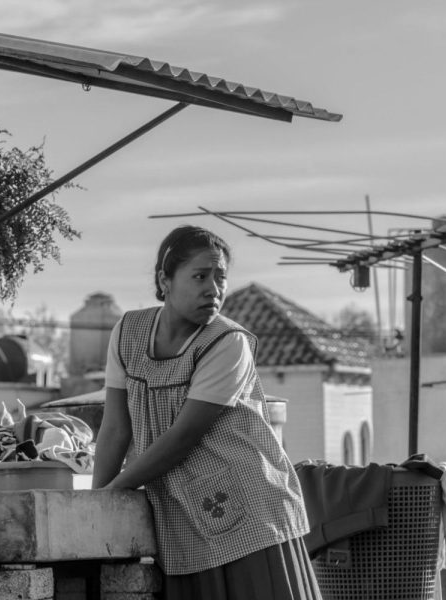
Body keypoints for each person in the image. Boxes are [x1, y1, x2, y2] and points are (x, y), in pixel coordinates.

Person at [92, 225, 321, 600]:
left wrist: (115, 491)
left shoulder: (227, 343)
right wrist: (98, 503)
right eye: (200, 276)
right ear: (164, 280)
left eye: (221, 278)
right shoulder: (127, 333)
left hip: (250, 512)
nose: (214, 289)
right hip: (181, 516)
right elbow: (116, 428)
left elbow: (182, 438)